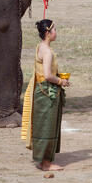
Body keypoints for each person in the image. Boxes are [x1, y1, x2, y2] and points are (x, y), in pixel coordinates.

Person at [21, 19, 69, 171]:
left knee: (42, 125)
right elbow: (48, 75)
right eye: (54, 30)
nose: (56, 32)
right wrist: (61, 81)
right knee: (47, 126)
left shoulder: (40, 47)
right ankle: (45, 163)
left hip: (41, 90)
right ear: (48, 33)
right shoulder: (47, 51)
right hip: (47, 92)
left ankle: (42, 160)